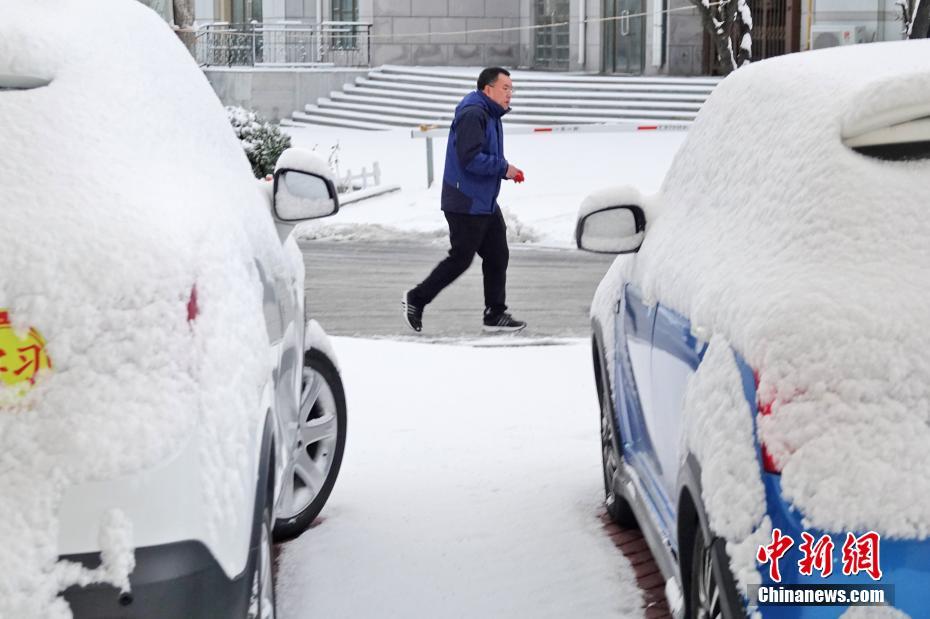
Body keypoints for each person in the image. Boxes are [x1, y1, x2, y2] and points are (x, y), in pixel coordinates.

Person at [402, 67, 527, 334]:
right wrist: (504, 168)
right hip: (466, 201)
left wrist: (504, 170)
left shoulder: (491, 113)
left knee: (497, 254)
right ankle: (416, 298)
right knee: (461, 258)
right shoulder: (474, 113)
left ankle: (495, 314)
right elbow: (469, 158)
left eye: (511, 89)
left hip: (483, 200)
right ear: (488, 89)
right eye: (505, 88)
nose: (510, 94)